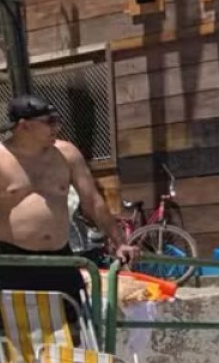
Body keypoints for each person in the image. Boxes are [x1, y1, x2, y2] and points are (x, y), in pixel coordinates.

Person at [0, 96, 138, 313]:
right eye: (49, 121)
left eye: (58, 120)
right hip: (12, 259)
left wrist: (120, 241)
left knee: (74, 325)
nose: (56, 127)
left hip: (60, 257)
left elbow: (92, 201)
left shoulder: (67, 154)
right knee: (14, 331)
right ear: (24, 126)